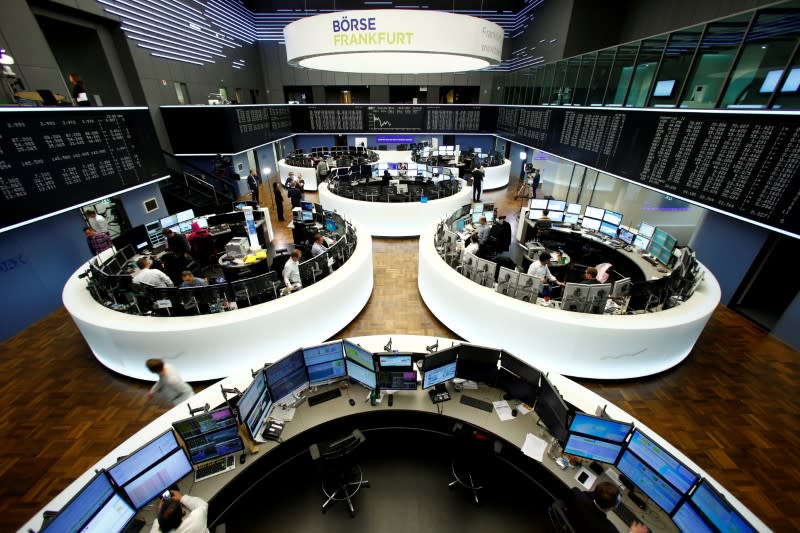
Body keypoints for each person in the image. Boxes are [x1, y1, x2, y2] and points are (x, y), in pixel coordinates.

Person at [566, 481, 648, 533]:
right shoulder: (608, 529)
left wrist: (600, 492)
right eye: (618, 503)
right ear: (613, 508)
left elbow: (588, 494)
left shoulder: (575, 494)